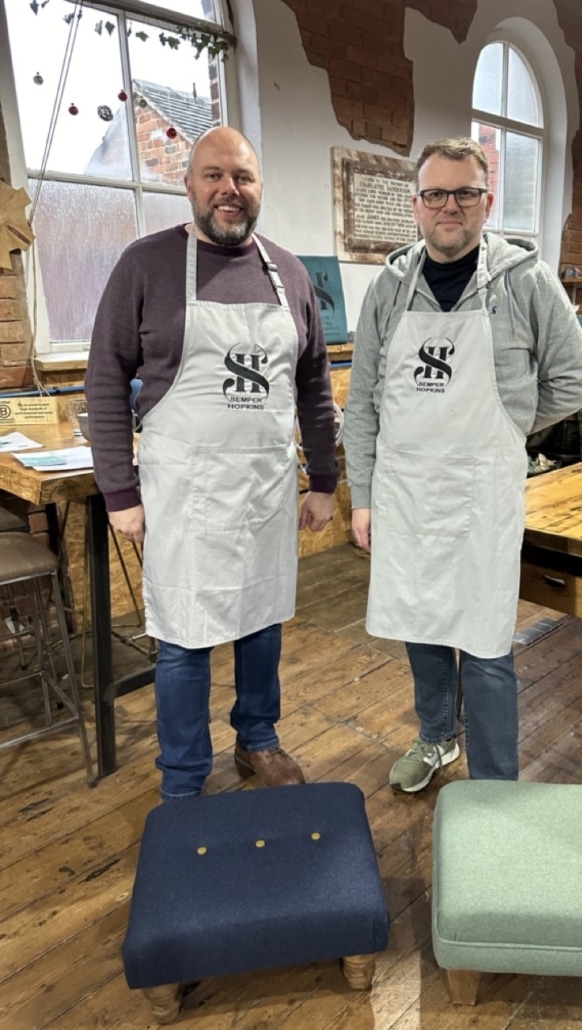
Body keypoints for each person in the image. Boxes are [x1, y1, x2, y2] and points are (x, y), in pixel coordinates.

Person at [85, 126, 339, 801]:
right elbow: (105, 379)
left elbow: (312, 384)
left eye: (243, 177)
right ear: (190, 184)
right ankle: (184, 777)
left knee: (260, 623)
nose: (229, 189)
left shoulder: (288, 273)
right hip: (183, 492)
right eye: (213, 176)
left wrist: (324, 480)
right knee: (184, 640)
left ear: (259, 187)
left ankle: (257, 738)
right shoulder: (145, 265)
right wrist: (119, 490)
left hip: (263, 487)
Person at [343, 137, 582, 793]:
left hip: (482, 495)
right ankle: (434, 740)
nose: (447, 206)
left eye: (462, 193)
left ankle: (493, 782)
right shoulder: (389, 289)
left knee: (485, 646)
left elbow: (571, 380)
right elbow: (364, 401)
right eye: (434, 194)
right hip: (406, 495)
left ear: (486, 203)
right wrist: (362, 496)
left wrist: (507, 424)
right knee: (420, 624)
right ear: (416, 206)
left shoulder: (525, 281)